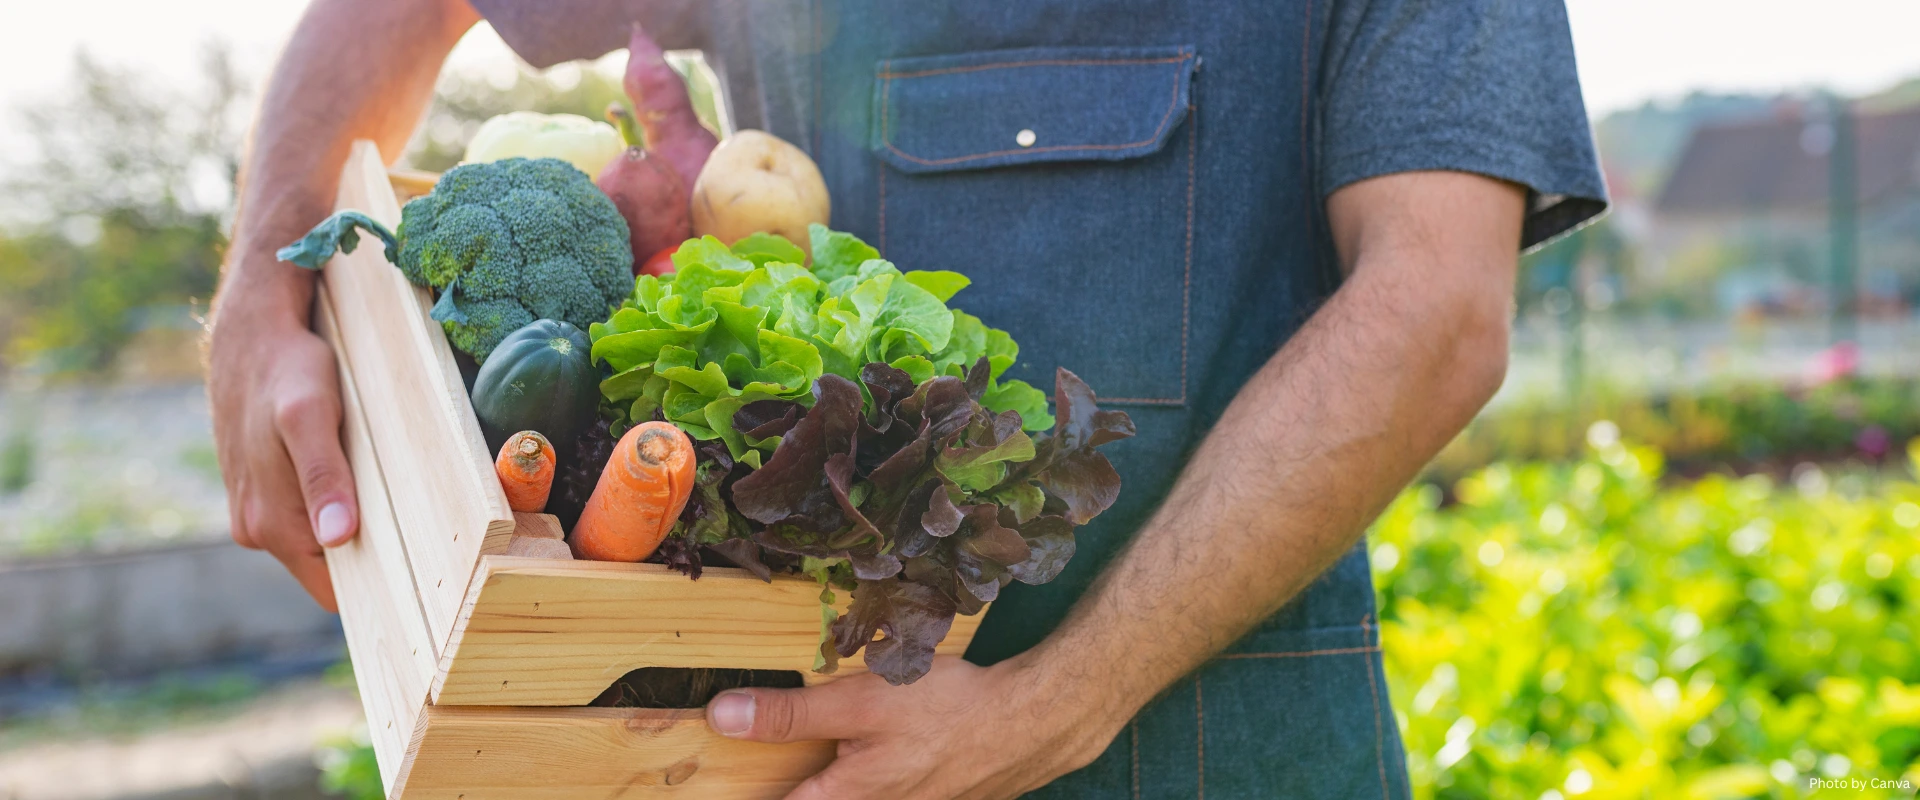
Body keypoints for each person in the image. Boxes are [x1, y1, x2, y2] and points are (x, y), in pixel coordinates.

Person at [208, 0, 1606, 796]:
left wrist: (1059, 701)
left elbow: (1437, 309)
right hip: (783, 758)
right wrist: (262, 293)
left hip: (1224, 753)